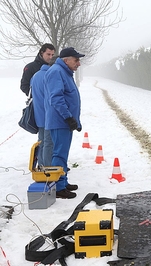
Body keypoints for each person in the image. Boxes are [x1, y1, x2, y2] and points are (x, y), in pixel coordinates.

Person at [44, 47, 84, 199]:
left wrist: (74, 120)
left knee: (63, 154)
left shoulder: (64, 72)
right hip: (60, 121)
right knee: (59, 154)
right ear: (66, 60)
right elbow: (56, 98)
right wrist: (68, 117)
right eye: (76, 60)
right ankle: (59, 187)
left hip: (64, 122)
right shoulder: (56, 72)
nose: (78, 64)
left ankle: (63, 181)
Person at [31, 55, 58, 167]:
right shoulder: (49, 76)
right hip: (48, 114)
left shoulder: (36, 75)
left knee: (41, 140)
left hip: (38, 113)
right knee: (49, 142)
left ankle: (41, 164)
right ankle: (47, 167)